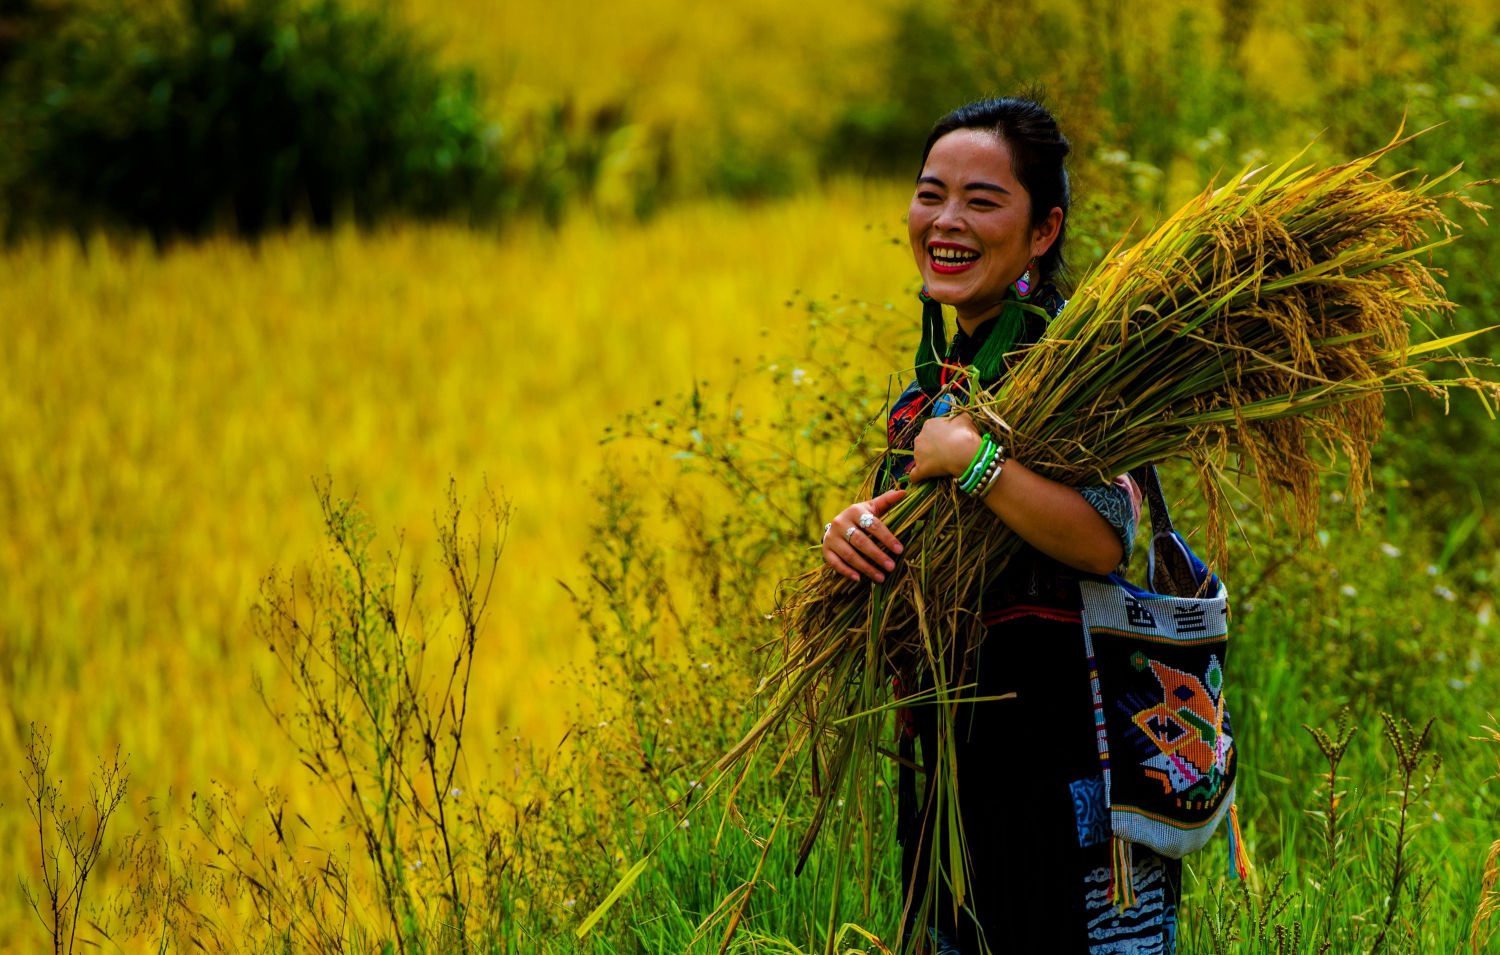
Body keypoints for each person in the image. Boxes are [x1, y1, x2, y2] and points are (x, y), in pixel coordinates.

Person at [819, 97, 1179, 954]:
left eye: (983, 201)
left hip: (1063, 774)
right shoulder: (932, 390)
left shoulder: (1071, 369)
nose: (946, 221)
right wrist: (851, 533)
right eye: (930, 193)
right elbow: (913, 545)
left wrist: (975, 462)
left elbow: (1103, 535)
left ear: (1043, 229)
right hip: (949, 775)